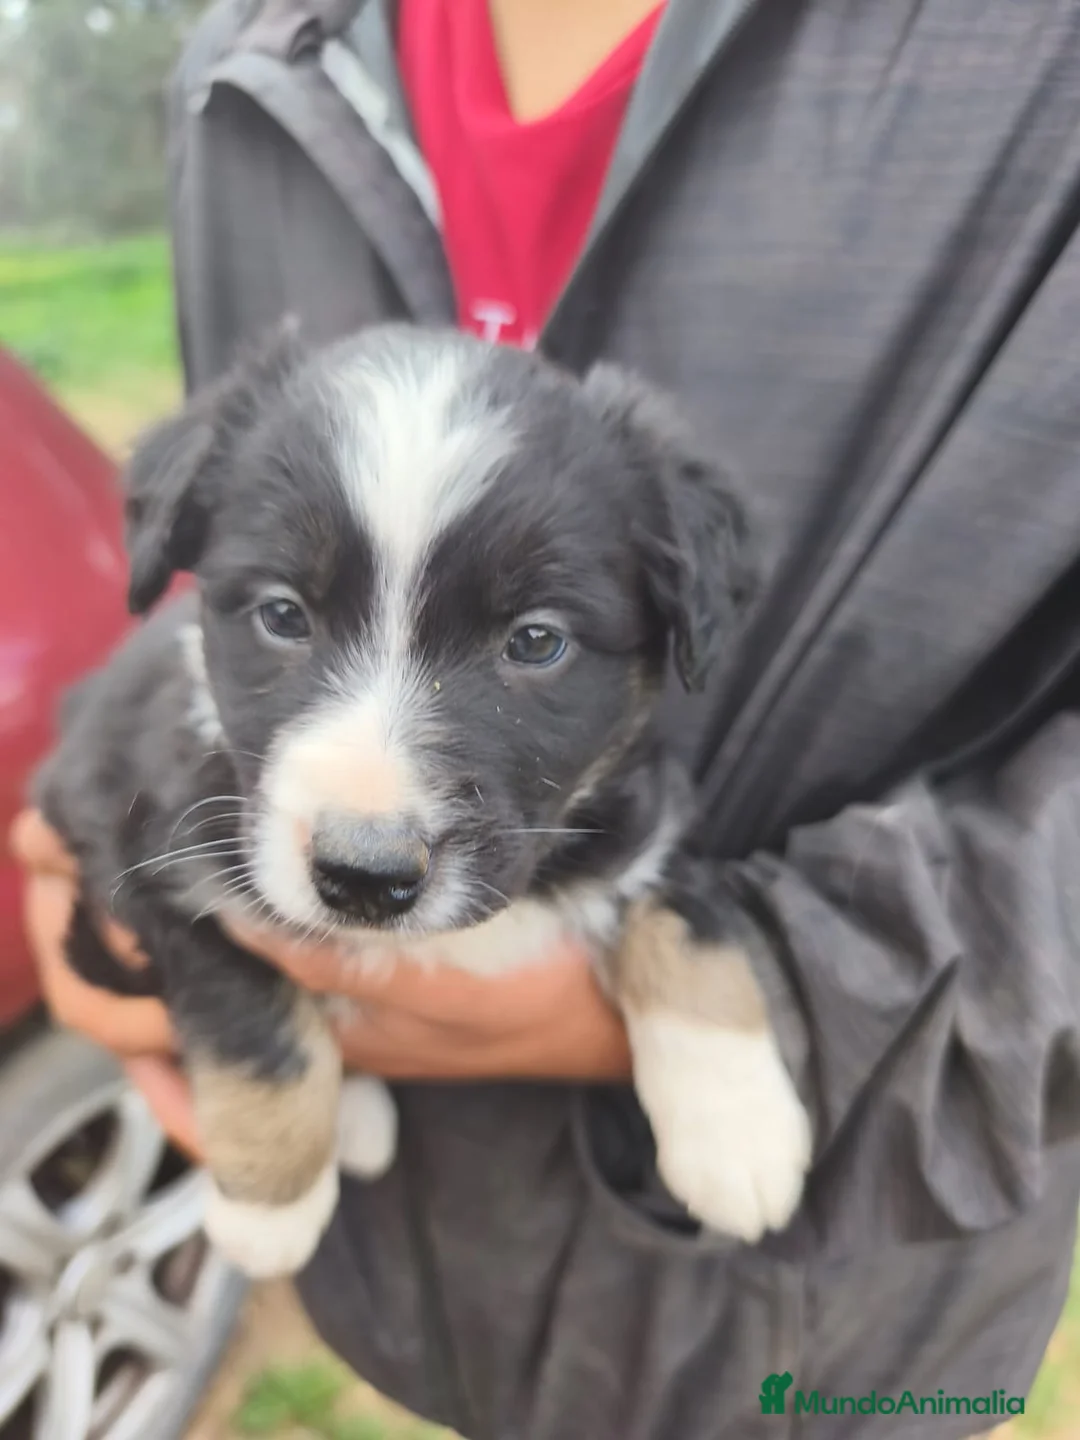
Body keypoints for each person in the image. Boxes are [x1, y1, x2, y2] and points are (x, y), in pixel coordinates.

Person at [11, 1, 1080, 1435]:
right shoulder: (249, 64)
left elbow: (653, 871)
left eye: (529, 640)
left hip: (816, 1344)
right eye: (280, 613)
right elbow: (124, 845)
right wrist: (266, 1088)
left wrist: (771, 1002)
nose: (374, 803)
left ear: (670, 621)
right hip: (426, 1276)